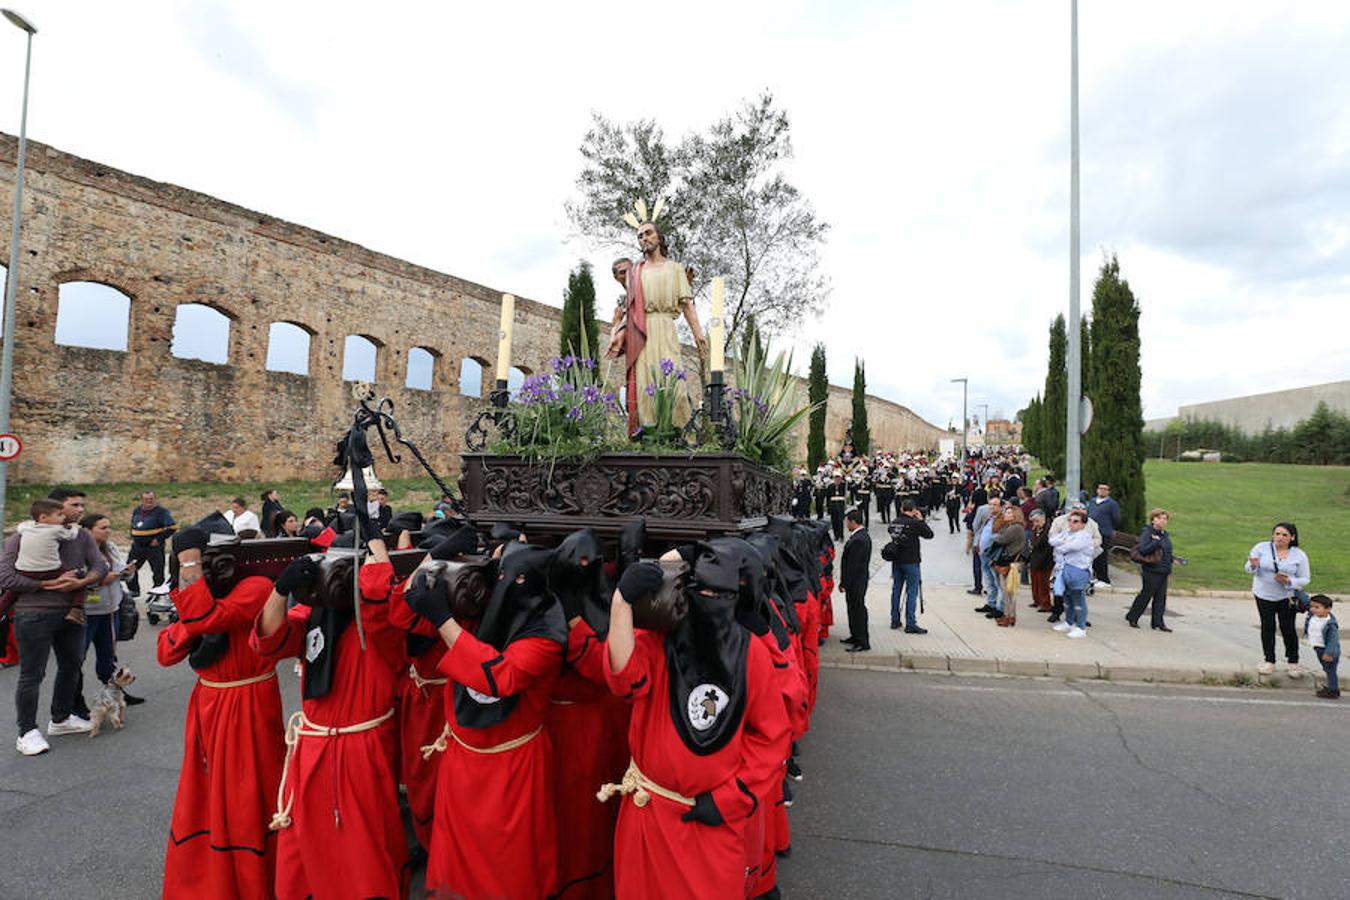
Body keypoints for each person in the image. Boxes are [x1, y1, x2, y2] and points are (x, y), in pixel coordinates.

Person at [601, 542, 789, 899]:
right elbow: (624, 679)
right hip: (650, 811)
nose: (708, 599)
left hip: (709, 822)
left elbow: (771, 738)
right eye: (700, 591)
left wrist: (729, 800)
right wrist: (621, 603)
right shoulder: (660, 640)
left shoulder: (753, 654)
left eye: (719, 594)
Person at [251, 524, 409, 899]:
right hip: (313, 744)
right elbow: (268, 640)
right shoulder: (313, 614)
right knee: (304, 844)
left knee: (362, 849)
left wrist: (375, 547)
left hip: (362, 746)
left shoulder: (381, 624)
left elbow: (378, 596)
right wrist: (280, 590)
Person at [405, 539, 566, 900]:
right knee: (457, 868)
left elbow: (498, 676)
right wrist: (434, 563)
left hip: (512, 768)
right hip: (462, 761)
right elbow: (404, 613)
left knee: (508, 868)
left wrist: (443, 619)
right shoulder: (483, 611)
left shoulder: (546, 637)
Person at [157, 526, 286, 899]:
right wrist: (190, 602)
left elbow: (210, 620)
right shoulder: (201, 599)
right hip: (210, 705)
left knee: (251, 791)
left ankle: (256, 881)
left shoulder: (257, 587)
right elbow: (165, 654)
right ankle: (211, 878)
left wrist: (191, 568)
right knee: (208, 794)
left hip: (250, 702)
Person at [2, 488, 108, 756]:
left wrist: (81, 581)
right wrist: (44, 583)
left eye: (82, 505)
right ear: (49, 512)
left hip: (73, 614)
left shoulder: (81, 535)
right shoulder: (21, 537)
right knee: (32, 674)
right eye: (73, 505)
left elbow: (100, 566)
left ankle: (61, 719)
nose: (80, 510)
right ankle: (26, 731)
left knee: (72, 666)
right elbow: (5, 577)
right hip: (33, 614)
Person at [608, 210, 708, 435]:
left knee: (676, 388)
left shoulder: (675, 269)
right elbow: (630, 303)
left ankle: (679, 436)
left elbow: (687, 303)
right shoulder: (636, 271)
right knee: (645, 389)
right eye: (640, 236)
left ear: (659, 237)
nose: (644, 238)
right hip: (641, 333)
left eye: (648, 233)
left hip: (666, 329)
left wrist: (698, 333)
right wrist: (618, 328)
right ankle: (649, 438)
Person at [79, 514, 144, 707]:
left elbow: (121, 574)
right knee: (76, 658)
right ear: (88, 530)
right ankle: (74, 701)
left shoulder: (112, 547)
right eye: (102, 527)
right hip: (86, 612)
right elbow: (77, 578)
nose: (108, 531)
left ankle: (116, 693)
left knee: (108, 656)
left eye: (109, 527)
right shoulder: (78, 551)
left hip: (109, 610)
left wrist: (128, 573)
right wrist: (99, 580)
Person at [1245, 522, 1311, 677]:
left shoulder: (1299, 555)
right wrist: (1253, 565)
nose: (1280, 537)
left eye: (1284, 535)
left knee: (1287, 628)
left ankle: (1293, 663)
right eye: (1277, 534)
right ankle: (1269, 661)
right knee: (1267, 626)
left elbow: (1305, 578)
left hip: (1286, 597)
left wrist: (1290, 582)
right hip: (1263, 595)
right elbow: (1248, 568)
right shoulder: (1261, 548)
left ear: (1292, 537)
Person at [11, 500, 84, 625]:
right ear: (43, 517)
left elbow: (20, 527)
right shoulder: (55, 530)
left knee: (12, 592)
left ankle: (2, 609)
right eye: (59, 515)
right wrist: (75, 528)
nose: (63, 517)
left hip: (25, 570)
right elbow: (70, 536)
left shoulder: (26, 527)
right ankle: (76, 609)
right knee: (79, 578)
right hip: (50, 569)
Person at [1126, 508, 1175, 631]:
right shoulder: (1148, 533)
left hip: (1164, 570)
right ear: (1153, 520)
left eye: (1165, 519)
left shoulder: (1165, 535)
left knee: (1160, 598)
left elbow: (1166, 551)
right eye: (1159, 518)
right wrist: (1155, 542)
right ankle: (1133, 617)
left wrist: (1173, 559)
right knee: (1146, 595)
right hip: (1151, 570)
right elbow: (1143, 550)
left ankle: (1158, 622)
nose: (1163, 521)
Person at [889, 500, 933, 634]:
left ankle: (895, 619)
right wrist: (921, 520)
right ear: (914, 510)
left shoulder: (895, 522)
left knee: (896, 590)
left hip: (897, 560)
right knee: (912, 591)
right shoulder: (914, 523)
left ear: (902, 509)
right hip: (911, 561)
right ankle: (910, 622)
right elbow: (929, 534)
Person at [1050, 510, 1093, 638]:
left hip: (1079, 570)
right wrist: (1063, 542)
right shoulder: (1067, 533)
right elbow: (1052, 541)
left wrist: (1062, 543)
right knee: (1066, 597)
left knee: (1078, 598)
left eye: (1075, 522)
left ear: (1083, 524)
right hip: (1065, 569)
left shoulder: (1084, 536)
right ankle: (1069, 622)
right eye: (1070, 521)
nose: (1071, 524)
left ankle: (1081, 627)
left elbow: (1070, 547)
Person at [127, 490, 175, 594]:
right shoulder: (137, 510)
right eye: (146, 499)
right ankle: (133, 590)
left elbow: (172, 527)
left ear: (155, 499)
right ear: (141, 500)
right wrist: (132, 534)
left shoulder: (162, 512)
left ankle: (157, 592)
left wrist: (158, 539)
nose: (149, 501)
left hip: (153, 547)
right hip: (137, 546)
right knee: (130, 567)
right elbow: (133, 524)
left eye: (151, 499)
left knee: (157, 571)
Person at [840, 509, 872, 652]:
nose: (846, 525)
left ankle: (862, 641)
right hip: (856, 581)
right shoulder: (859, 536)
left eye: (848, 521)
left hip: (856, 582)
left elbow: (853, 565)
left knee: (858, 610)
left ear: (853, 522)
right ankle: (854, 635)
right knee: (852, 609)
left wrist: (844, 583)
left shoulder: (859, 539)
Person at [991, 505, 1026, 627]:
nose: (1005, 514)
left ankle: (1009, 616)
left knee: (1009, 591)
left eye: (1009, 513)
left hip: (1011, 562)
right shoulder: (1012, 527)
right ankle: (1009, 615)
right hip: (1011, 561)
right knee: (1008, 591)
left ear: (1015, 515)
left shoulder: (1015, 528)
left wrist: (995, 537)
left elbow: (1000, 539)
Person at [1304, 595, 1340, 700]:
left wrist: (1328, 653)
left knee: (1330, 670)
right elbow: (1306, 601)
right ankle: (1332, 687)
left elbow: (1333, 641)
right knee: (1327, 669)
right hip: (1318, 648)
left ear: (1328, 609)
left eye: (1317, 607)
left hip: (1327, 651)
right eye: (1312, 607)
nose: (1313, 609)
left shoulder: (1330, 624)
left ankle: (1333, 690)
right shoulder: (1312, 615)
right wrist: (1296, 590)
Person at [1086, 483, 1121, 584]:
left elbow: (1116, 519)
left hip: (1104, 532)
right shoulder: (1092, 501)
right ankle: (1092, 575)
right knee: (1091, 555)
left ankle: (1103, 578)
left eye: (1105, 489)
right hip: (1091, 532)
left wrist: (1109, 528)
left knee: (1101, 555)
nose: (1102, 491)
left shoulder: (1112, 504)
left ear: (1108, 492)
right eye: (1100, 488)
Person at [1026, 510, 1054, 613]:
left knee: (1043, 582)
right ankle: (1037, 600)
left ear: (1043, 519)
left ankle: (1046, 603)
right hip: (1035, 558)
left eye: (1037, 521)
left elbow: (1048, 548)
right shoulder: (1036, 529)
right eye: (1033, 521)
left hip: (1045, 560)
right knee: (1035, 581)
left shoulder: (1048, 530)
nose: (1035, 523)